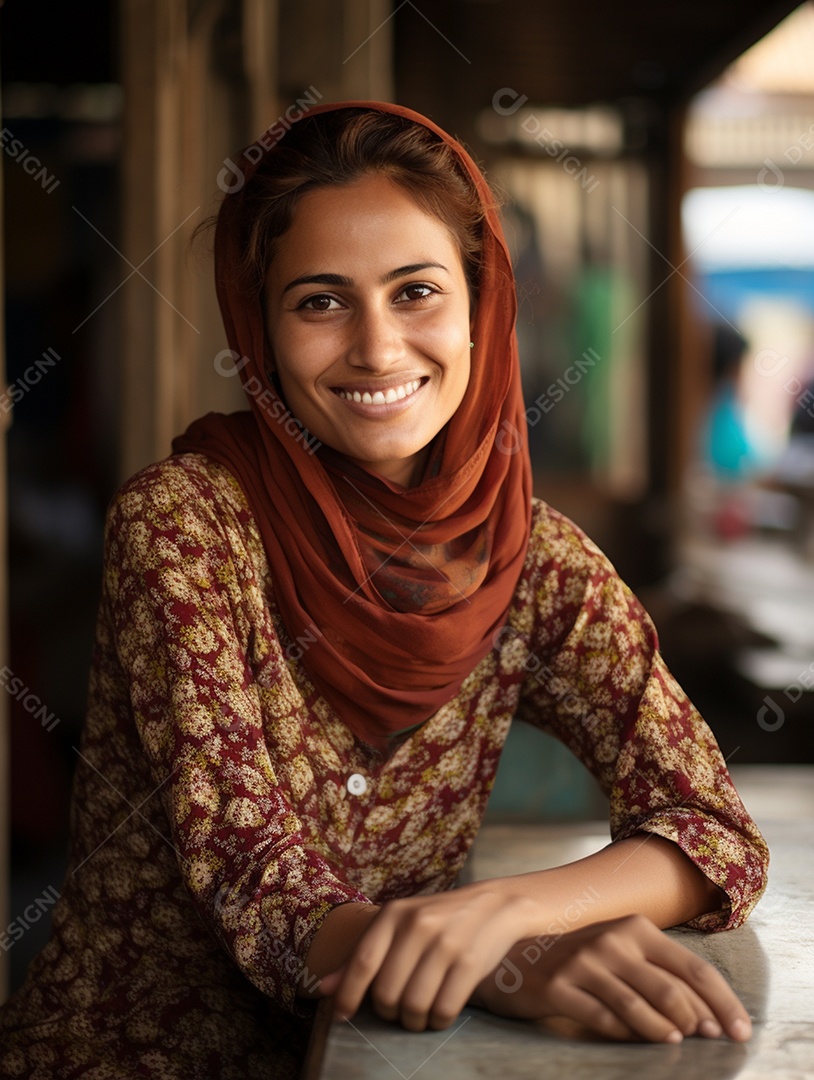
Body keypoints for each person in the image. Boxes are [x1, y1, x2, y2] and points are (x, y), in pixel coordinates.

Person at [0, 101, 768, 1079]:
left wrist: (507, 913)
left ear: (482, 303)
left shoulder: (534, 562)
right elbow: (258, 882)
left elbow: (709, 829)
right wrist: (512, 962)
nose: (374, 347)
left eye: (415, 292)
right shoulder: (185, 526)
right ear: (260, 325)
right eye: (320, 301)